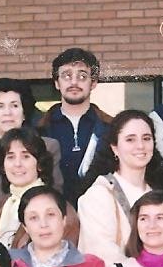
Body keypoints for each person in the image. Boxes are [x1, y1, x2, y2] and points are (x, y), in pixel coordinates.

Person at [77, 110, 163, 267]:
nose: (140, 146)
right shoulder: (98, 195)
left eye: (146, 138)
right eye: (130, 139)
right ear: (115, 148)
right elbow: (103, 255)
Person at [0, 79, 63, 206]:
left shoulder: (48, 147)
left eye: (14, 106)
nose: (7, 113)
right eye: (0, 106)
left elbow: (54, 197)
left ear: (24, 113)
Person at [40, 48, 115, 190]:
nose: (74, 82)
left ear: (93, 83)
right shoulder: (39, 129)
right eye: (66, 76)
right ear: (57, 83)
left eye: (82, 76)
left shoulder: (111, 128)